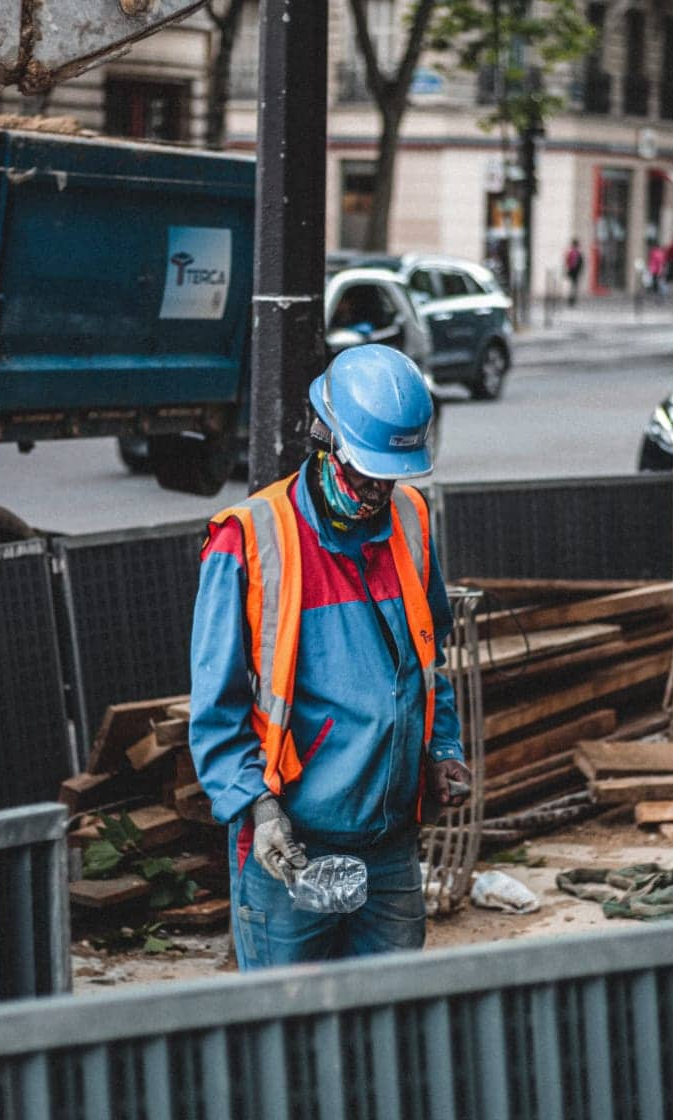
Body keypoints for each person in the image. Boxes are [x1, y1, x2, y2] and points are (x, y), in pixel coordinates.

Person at [189, 344, 470, 969]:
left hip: (390, 844)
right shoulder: (249, 542)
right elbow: (217, 711)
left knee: (395, 1033)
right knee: (286, 1043)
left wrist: (442, 749)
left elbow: (429, 659)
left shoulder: (411, 520)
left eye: (388, 479)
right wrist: (257, 809)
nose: (376, 495)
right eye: (364, 477)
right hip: (291, 846)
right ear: (326, 443)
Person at [564, 237, 584, 306]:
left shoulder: (571, 252)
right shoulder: (577, 253)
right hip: (575, 272)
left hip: (572, 271)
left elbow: (567, 262)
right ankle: (572, 300)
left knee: (572, 286)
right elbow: (581, 263)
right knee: (574, 286)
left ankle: (571, 300)